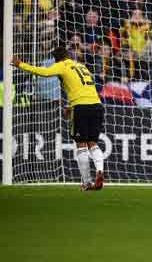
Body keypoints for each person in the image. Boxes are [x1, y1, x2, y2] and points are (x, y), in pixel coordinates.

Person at [12, 47, 105, 191]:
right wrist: (70, 105)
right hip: (97, 105)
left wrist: (20, 65)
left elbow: (44, 72)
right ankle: (100, 170)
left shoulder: (62, 65)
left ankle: (87, 183)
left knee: (81, 144)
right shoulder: (81, 65)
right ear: (68, 55)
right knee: (93, 143)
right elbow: (81, 87)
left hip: (81, 107)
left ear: (56, 59)